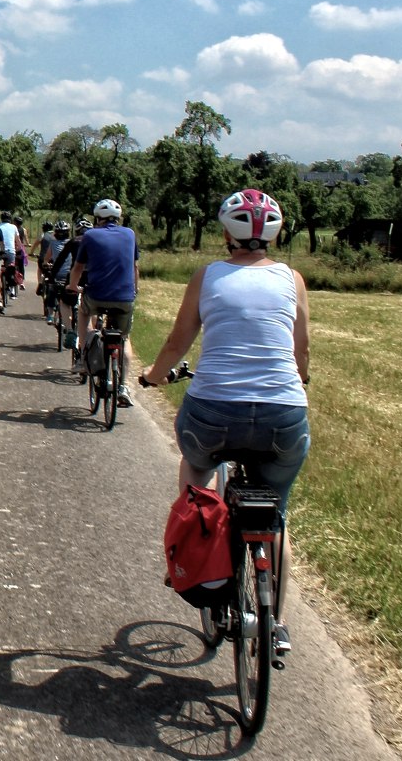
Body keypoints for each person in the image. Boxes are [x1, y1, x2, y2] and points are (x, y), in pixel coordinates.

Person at [139, 189, 310, 653]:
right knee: (274, 515)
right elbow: (301, 352)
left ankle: (197, 535)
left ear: (226, 233)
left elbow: (177, 343)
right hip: (283, 415)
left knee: (197, 471)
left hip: (213, 411)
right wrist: (302, 379)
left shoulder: (207, 275)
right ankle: (278, 626)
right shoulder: (292, 280)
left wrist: (153, 379)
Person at [67, 198, 140, 401]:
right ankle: (123, 386)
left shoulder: (90, 235)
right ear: (118, 218)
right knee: (124, 339)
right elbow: (135, 267)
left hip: (97, 295)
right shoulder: (130, 234)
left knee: (83, 312)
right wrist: (135, 290)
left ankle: (82, 356)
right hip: (125, 297)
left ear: (97, 218)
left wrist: (73, 286)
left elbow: (78, 268)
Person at [36, 221, 66, 316]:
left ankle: (40, 284)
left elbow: (36, 244)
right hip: (55, 261)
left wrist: (31, 252)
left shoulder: (43, 235)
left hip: (44, 258)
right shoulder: (55, 237)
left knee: (40, 269)